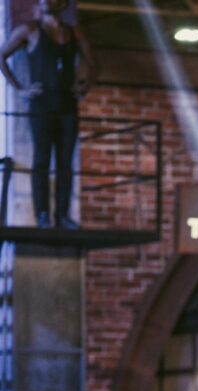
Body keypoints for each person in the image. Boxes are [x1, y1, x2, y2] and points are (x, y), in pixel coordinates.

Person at [0, 0, 96, 230]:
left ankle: (62, 216)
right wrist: (20, 88)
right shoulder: (30, 29)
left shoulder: (73, 33)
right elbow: (1, 56)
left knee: (65, 162)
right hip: (41, 104)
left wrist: (84, 85)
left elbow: (93, 64)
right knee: (42, 159)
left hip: (67, 105)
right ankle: (42, 214)